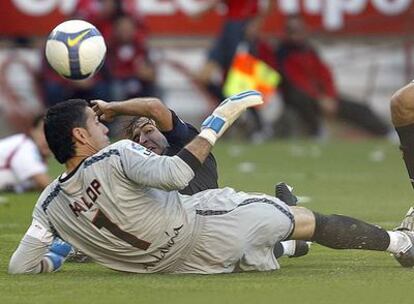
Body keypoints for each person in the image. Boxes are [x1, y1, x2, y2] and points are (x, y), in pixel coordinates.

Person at [8, 91, 414, 274]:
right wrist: (223, 116)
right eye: (96, 124)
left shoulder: (48, 203)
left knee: (263, 243)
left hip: (170, 268)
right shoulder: (118, 155)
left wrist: (54, 258)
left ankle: (286, 243)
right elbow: (177, 174)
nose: (103, 128)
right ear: (80, 136)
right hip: (203, 226)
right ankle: (403, 244)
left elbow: (21, 266)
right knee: (307, 218)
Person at [92, 97, 308, 258]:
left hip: (218, 224)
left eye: (148, 131)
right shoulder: (142, 171)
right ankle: (287, 220)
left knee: (230, 251)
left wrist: (113, 108)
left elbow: (155, 109)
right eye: (137, 138)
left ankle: (287, 223)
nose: (143, 140)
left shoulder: (186, 144)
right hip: (182, 236)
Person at [276, 14, 390, 138]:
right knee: (300, 98)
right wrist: (319, 98)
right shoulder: (282, 54)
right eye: (292, 31)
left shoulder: (309, 50)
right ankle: (316, 132)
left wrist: (329, 96)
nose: (296, 34)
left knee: (360, 108)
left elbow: (325, 74)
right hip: (305, 98)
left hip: (323, 97)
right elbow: (296, 81)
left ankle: (386, 132)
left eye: (299, 30)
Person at [0, 114, 51, 193]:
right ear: (33, 131)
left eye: (52, 133)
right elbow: (45, 184)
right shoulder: (25, 147)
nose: (48, 137)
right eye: (43, 132)